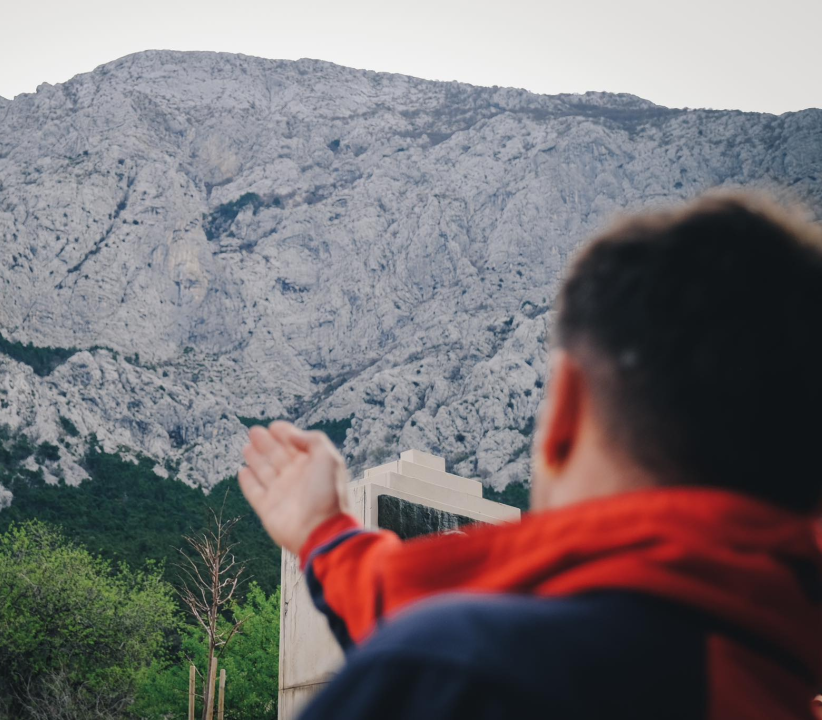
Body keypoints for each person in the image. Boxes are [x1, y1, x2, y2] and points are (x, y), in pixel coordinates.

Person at [238, 194, 822, 719]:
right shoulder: (773, 675)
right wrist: (326, 534)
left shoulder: (450, 680)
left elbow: (457, 639)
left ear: (565, 409)